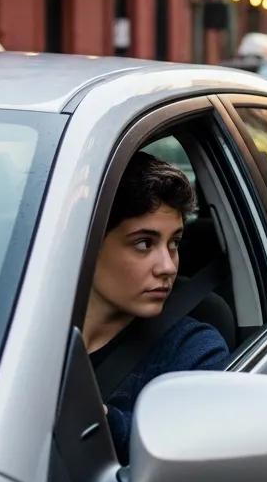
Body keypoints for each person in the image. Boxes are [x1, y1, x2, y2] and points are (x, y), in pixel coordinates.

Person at [84, 151, 230, 463]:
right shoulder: (19, 326)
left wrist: (77, 410)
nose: (168, 266)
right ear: (87, 245)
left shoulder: (194, 352)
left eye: (174, 243)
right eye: (144, 244)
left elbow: (186, 459)